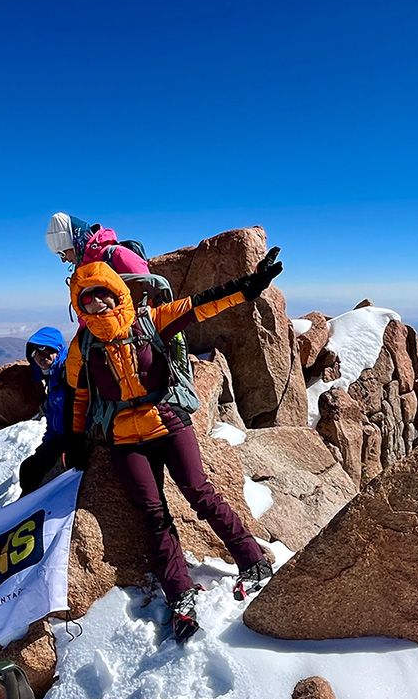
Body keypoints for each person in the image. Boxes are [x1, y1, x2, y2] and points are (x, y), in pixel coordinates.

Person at [63, 249, 284, 642]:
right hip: (123, 437)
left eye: (101, 294)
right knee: (152, 513)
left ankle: (252, 559)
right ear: (79, 304)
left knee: (199, 492)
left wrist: (248, 287)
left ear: (116, 292)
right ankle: (180, 592)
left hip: (168, 421)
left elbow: (202, 305)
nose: (96, 302)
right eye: (86, 298)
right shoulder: (83, 346)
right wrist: (76, 439)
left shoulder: (149, 320)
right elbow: (79, 396)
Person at [18, 325, 69, 495]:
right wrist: (48, 441)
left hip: (73, 439)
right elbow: (53, 417)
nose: (41, 356)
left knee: (32, 472)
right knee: (27, 469)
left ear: (58, 350)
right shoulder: (52, 381)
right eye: (35, 353)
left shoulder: (69, 374)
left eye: (47, 351)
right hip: (59, 438)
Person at [44, 212, 151, 276]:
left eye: (63, 253)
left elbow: (150, 292)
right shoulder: (83, 269)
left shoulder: (118, 254)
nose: (63, 260)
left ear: (76, 244)